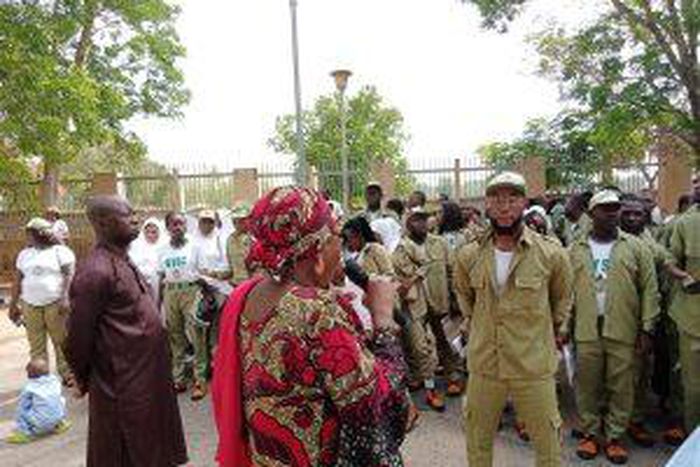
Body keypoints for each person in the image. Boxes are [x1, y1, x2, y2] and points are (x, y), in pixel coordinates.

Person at [212, 186, 410, 467]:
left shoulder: (247, 295)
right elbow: (372, 405)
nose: (340, 255)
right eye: (336, 240)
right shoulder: (317, 310)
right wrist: (383, 318)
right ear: (317, 250)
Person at [454, 171, 573, 467]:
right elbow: (464, 296)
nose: (504, 206)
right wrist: (475, 324)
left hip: (532, 364)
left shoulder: (551, 254)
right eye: (496, 198)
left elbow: (562, 301)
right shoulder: (468, 255)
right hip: (485, 364)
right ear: (487, 205)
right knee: (477, 442)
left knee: (548, 445)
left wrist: (551, 333)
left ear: (524, 203)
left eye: (512, 198)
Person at [65, 195, 187, 467]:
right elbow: (77, 338)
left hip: (147, 379)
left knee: (153, 448)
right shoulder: (95, 270)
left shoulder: (122, 260)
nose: (136, 219)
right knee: (125, 451)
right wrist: (84, 378)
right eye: (127, 214)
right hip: (122, 385)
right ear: (103, 223)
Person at [569, 190, 658, 464]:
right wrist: (562, 327)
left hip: (623, 328)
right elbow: (564, 292)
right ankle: (590, 433)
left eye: (615, 208)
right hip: (586, 328)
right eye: (605, 209)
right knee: (587, 384)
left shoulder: (635, 246)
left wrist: (647, 329)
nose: (613, 213)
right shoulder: (575, 248)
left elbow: (650, 290)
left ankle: (616, 437)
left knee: (622, 384)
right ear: (591, 213)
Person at [9, 217, 75, 385]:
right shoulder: (24, 254)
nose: (27, 237)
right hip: (30, 304)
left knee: (61, 340)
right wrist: (13, 304)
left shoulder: (61, 252)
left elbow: (69, 275)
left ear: (41, 234)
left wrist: (65, 297)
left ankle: (67, 374)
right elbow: (18, 280)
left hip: (55, 303)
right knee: (36, 342)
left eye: (29, 234)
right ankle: (41, 377)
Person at [393, 207, 447, 410]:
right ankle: (423, 385)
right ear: (408, 223)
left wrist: (413, 278)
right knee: (413, 346)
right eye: (417, 220)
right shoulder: (396, 247)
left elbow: (427, 266)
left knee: (424, 346)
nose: (421, 224)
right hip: (403, 304)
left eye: (423, 220)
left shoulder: (420, 245)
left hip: (421, 302)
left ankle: (429, 387)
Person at [158, 211, 209, 401]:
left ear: (186, 226)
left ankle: (199, 381)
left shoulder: (195, 247)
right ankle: (178, 379)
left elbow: (204, 274)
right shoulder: (162, 250)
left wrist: (204, 295)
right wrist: (158, 303)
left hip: (191, 290)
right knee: (175, 336)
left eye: (181, 224)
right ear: (168, 228)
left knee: (196, 335)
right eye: (173, 224)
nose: (177, 227)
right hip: (170, 292)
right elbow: (161, 276)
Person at [666, 174, 700, 436]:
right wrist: (684, 276)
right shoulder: (686, 223)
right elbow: (670, 260)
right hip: (693, 319)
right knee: (694, 386)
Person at [4, 358, 70, 444]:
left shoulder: (30, 388)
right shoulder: (55, 380)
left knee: (21, 410)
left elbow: (22, 406)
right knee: (60, 400)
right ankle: (61, 423)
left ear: (29, 375)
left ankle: (24, 433)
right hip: (57, 416)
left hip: (40, 422)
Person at [128, 216, 166, 305]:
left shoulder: (165, 245)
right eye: (147, 232)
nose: (150, 235)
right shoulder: (136, 245)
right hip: (140, 282)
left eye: (154, 232)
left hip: (160, 283)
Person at [226, 206, 253, 286]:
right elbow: (230, 263)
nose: (238, 224)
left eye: (243, 220)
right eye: (235, 221)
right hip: (236, 283)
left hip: (252, 284)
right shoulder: (230, 239)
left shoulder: (254, 238)